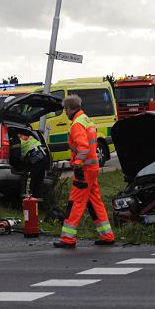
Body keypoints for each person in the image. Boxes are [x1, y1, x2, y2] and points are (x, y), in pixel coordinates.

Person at [53, 95, 115, 249]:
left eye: (65, 109)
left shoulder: (77, 124)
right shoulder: (87, 120)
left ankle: (68, 239)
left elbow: (83, 148)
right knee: (95, 202)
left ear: (68, 109)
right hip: (92, 169)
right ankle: (107, 236)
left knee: (75, 203)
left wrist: (77, 165)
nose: (65, 113)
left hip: (84, 170)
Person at [19, 133, 48, 198]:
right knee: (39, 181)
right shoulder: (32, 137)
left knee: (30, 179)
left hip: (35, 159)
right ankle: (38, 200)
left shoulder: (19, 141)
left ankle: (28, 199)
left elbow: (17, 155)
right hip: (43, 157)